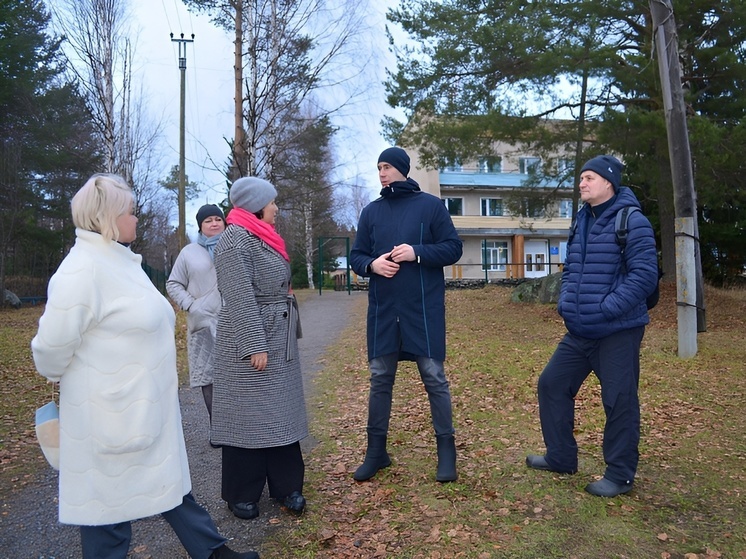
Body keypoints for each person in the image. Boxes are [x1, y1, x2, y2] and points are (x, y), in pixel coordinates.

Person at [30, 174, 259, 559]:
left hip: (142, 408)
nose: (137, 219)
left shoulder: (120, 261)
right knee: (107, 518)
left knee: (169, 486)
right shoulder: (81, 269)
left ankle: (214, 552)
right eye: (131, 212)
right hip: (109, 416)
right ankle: (214, 553)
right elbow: (49, 351)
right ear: (107, 217)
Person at [525, 155, 659, 498]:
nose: (581, 184)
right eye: (581, 178)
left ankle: (619, 475)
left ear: (608, 182)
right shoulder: (582, 220)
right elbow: (571, 269)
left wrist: (606, 308)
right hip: (580, 330)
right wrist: (567, 303)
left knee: (619, 400)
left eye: (588, 178)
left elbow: (644, 276)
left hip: (618, 330)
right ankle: (561, 457)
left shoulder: (633, 221)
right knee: (552, 384)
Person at [349, 146, 463, 483]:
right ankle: (376, 452)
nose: (381, 173)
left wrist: (417, 252)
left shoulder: (429, 206)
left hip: (422, 311)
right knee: (380, 379)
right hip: (384, 312)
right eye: (378, 167)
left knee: (434, 378)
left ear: (402, 169)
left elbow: (453, 247)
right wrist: (372, 264)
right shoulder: (371, 212)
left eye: (386, 166)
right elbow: (357, 256)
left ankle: (446, 452)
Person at [211, 176, 308, 520]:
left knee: (281, 413)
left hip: (276, 333)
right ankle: (242, 492)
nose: (276, 208)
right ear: (255, 205)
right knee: (247, 418)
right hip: (250, 339)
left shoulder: (262, 236)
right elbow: (238, 296)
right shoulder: (234, 241)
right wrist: (254, 345)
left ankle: (287, 487)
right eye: (271, 202)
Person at [167, 204, 226, 421]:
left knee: (235, 374)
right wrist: (192, 305)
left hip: (232, 320)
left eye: (218, 219)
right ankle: (217, 427)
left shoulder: (234, 247)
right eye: (208, 220)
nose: (214, 223)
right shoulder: (189, 253)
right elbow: (173, 283)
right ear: (201, 226)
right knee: (208, 375)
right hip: (203, 322)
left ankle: (239, 429)